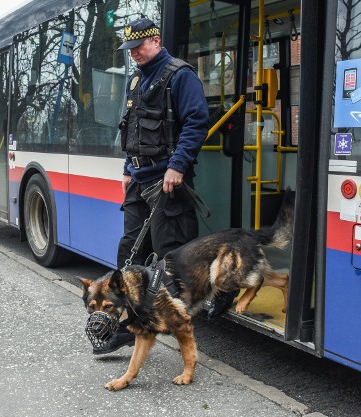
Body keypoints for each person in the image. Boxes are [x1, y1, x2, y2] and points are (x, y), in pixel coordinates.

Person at [93, 18, 238, 355]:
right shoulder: (135, 79)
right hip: (139, 179)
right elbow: (130, 130)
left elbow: (196, 123)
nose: (134, 55)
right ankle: (128, 327)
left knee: (176, 256)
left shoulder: (179, 76)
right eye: (129, 50)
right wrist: (128, 167)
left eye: (139, 48)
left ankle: (222, 289)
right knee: (130, 251)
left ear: (156, 40)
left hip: (167, 181)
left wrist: (177, 166)